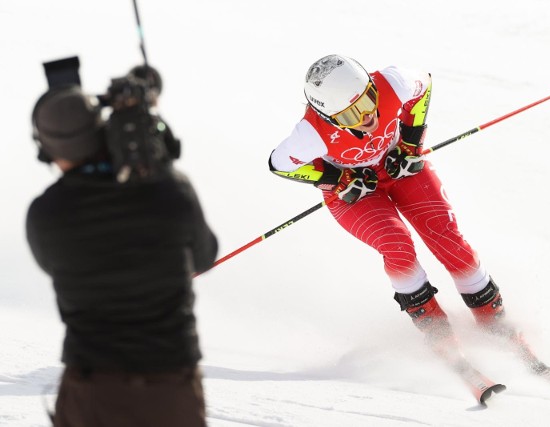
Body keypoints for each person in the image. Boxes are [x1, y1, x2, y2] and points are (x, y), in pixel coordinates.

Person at [269, 54, 509, 357]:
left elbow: (424, 85)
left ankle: (495, 321)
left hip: (400, 167)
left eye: (368, 101)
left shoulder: (393, 82)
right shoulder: (311, 134)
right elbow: (279, 165)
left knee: (447, 237)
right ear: (331, 118)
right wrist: (337, 178)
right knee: (397, 245)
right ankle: (436, 331)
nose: (366, 116)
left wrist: (410, 144)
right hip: (357, 192)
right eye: (349, 116)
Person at [26, 78, 217, 426]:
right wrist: (154, 159)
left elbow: (49, 264)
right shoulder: (171, 190)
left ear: (49, 150)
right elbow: (205, 256)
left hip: (93, 391)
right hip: (172, 389)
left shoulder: (46, 213)